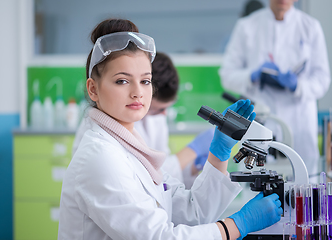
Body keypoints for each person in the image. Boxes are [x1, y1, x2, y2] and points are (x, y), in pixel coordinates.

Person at [58, 18, 282, 239]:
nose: (138, 92)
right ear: (93, 89)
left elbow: (192, 212)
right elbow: (159, 237)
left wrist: (218, 154)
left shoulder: (133, 148)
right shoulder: (100, 157)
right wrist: (237, 225)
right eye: (122, 81)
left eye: (145, 81)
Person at [219, 0, 331, 180]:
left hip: (299, 122)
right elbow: (227, 75)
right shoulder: (247, 27)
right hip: (262, 120)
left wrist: (298, 86)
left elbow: (322, 79)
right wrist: (252, 76)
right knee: (257, 183)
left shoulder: (310, 27)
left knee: (303, 185)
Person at [73, 51, 215, 188]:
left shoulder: (155, 118)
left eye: (145, 81)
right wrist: (191, 151)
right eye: (122, 81)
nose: (163, 114)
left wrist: (192, 167)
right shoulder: (104, 134)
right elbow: (146, 174)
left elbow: (160, 175)